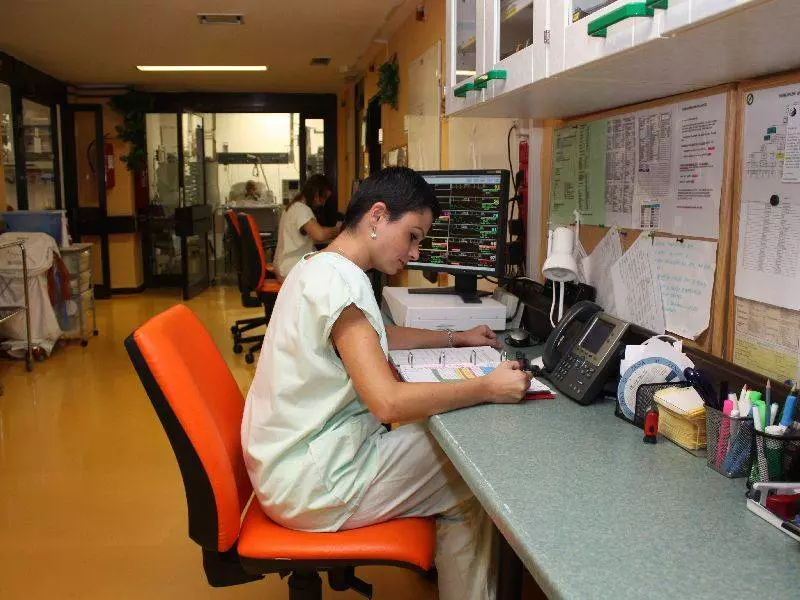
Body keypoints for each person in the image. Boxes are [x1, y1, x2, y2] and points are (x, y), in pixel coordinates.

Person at [241, 167, 532, 600]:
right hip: (311, 482)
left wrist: (455, 337)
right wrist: (487, 387)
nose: (414, 253)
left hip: (287, 462)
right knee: (474, 477)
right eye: (412, 236)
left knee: (449, 455)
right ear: (377, 216)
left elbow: (379, 336)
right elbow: (388, 403)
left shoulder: (318, 266)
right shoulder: (342, 282)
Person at [272, 174, 341, 280]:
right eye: (324, 197)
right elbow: (320, 235)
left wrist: (331, 238)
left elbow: (309, 238)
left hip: (286, 266)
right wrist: (339, 229)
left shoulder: (294, 206)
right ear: (316, 193)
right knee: (336, 273)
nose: (323, 203)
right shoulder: (300, 209)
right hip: (291, 269)